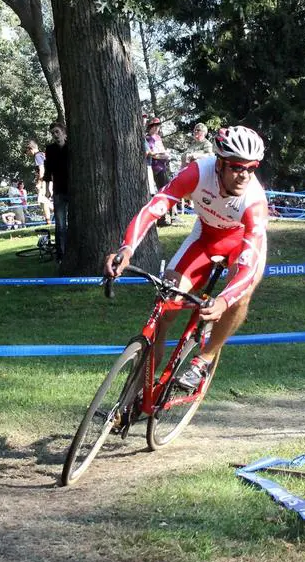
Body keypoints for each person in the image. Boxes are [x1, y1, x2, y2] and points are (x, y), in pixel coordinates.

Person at [105, 126, 268, 391]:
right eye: (238, 167)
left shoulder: (254, 202)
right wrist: (127, 248)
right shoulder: (197, 173)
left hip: (241, 245)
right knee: (163, 309)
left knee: (242, 293)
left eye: (251, 168)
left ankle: (204, 358)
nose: (244, 176)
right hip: (205, 238)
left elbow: (248, 267)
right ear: (220, 163)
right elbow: (152, 210)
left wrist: (225, 300)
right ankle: (135, 394)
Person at [44, 122, 69, 263]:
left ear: (64, 133)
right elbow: (48, 170)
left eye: (57, 132)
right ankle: (61, 254)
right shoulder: (50, 149)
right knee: (60, 225)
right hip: (58, 190)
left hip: (74, 189)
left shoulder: (71, 147)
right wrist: (47, 188)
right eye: (52, 133)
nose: (55, 135)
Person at [26, 139, 52, 223]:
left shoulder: (37, 155)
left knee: (43, 200)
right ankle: (48, 221)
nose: (27, 154)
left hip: (45, 180)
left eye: (26, 151)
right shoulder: (42, 154)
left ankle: (53, 216)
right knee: (44, 201)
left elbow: (42, 170)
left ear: (30, 149)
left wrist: (39, 183)